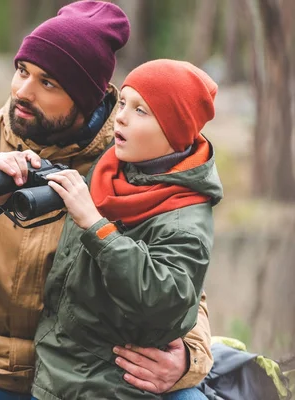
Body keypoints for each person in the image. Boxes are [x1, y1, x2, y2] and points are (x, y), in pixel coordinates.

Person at [0, 2, 213, 399]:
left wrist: (188, 359)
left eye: (48, 83)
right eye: (22, 71)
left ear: (86, 100)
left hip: (95, 369)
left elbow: (184, 281)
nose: (22, 92)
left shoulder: (129, 159)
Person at [31, 59, 223, 400]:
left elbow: (167, 302)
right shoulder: (111, 170)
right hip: (56, 374)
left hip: (115, 386)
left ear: (174, 130)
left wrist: (96, 227)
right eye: (123, 103)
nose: (120, 117)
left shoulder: (185, 217)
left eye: (141, 111)